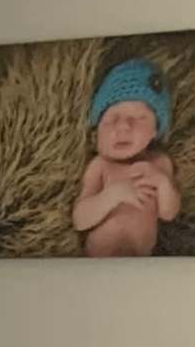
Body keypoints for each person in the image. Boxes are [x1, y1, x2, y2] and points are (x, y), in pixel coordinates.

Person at [72, 57, 181, 257]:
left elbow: (168, 214)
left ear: (155, 130)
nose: (123, 127)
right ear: (97, 131)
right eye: (112, 119)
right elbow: (80, 220)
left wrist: (164, 184)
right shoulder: (101, 165)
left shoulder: (159, 163)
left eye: (138, 118)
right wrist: (111, 195)